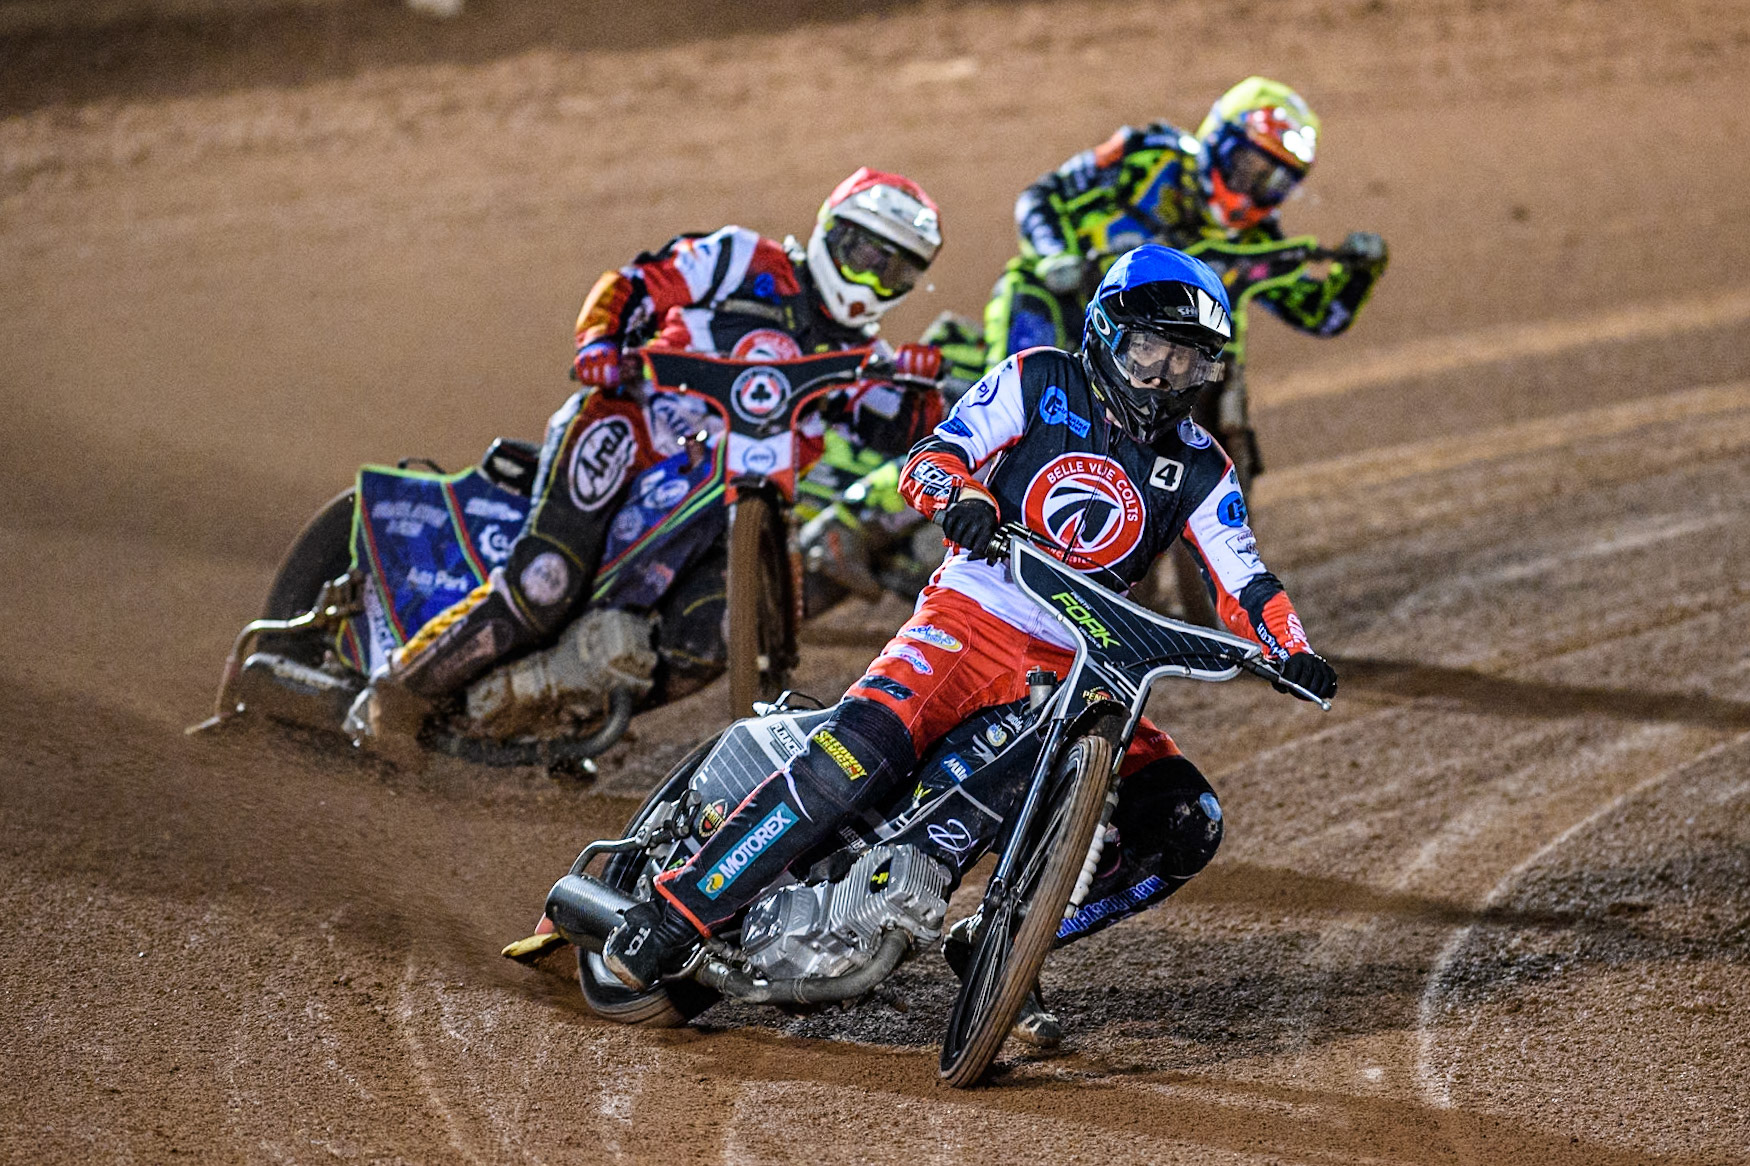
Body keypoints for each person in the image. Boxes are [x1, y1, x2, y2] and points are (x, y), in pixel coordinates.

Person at [602, 245, 1338, 1045]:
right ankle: (677, 911)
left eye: (1186, 361)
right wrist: (961, 496)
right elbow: (936, 453)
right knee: (854, 761)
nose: (1163, 377)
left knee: (1188, 823)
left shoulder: (1201, 466)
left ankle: (1003, 939)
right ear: (1105, 331)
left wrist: (1290, 648)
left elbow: (1247, 579)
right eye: (1148, 351)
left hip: (1092, 663)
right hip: (972, 618)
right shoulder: (1038, 378)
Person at [345, 169, 947, 736]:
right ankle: (391, 697)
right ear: (829, 231)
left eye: (894, 272)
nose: (871, 280)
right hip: (632, 427)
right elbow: (634, 285)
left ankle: (566, 719)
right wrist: (600, 340)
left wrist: (918, 392)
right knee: (546, 581)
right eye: (863, 256)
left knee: (709, 641)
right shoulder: (742, 259)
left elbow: (898, 430)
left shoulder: (864, 362)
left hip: (727, 503)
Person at [971, 76, 1389, 469]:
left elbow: (1321, 315)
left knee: (1206, 358)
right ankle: (994, 460)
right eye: (1249, 168)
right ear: (1220, 140)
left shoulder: (1255, 241)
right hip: (1072, 302)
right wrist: (1056, 255)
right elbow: (1042, 196)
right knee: (1031, 316)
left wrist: (1359, 273)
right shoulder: (1148, 155)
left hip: (1153, 350)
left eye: (1274, 182)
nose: (1252, 191)